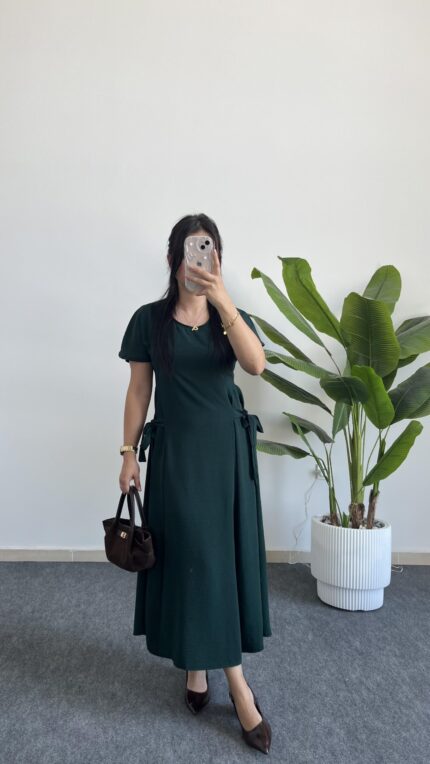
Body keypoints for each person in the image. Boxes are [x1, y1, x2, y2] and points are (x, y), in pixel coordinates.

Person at [118, 213, 272, 754]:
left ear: (217, 258)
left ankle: (230, 680)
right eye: (190, 250)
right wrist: (127, 453)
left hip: (226, 458)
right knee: (191, 559)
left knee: (217, 563)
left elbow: (256, 365)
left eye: (208, 251)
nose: (198, 260)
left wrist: (223, 300)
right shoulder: (149, 320)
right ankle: (203, 669)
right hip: (176, 458)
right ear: (173, 259)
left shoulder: (232, 317)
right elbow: (139, 391)